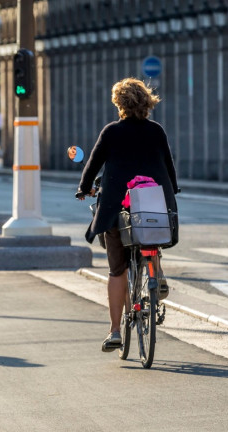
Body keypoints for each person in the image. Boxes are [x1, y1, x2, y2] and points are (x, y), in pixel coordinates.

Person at [73, 78, 178, 353]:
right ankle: (157, 272)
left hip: (118, 205)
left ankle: (115, 330)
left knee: (117, 269)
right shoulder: (156, 131)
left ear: (118, 104)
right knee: (151, 237)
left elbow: (93, 163)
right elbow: (168, 165)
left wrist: (84, 188)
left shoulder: (111, 132)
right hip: (153, 203)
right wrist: (172, 189)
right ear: (147, 102)